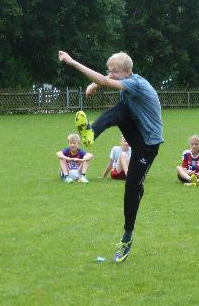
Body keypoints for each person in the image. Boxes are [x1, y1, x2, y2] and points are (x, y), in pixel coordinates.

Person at [58, 50, 163, 263]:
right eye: (109, 71)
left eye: (114, 71)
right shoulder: (126, 79)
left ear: (128, 71)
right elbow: (106, 79)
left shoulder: (136, 84)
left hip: (147, 144)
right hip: (135, 130)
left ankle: (127, 237)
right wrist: (96, 84)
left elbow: (106, 81)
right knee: (120, 110)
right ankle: (90, 133)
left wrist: (73, 62)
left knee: (132, 188)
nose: (111, 74)